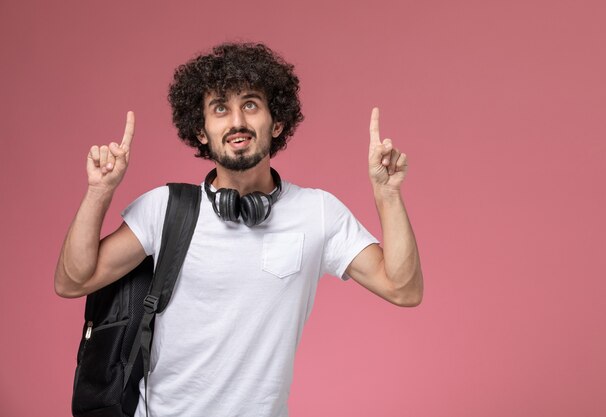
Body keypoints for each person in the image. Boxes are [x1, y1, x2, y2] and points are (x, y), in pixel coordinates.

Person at [55, 42, 423, 417]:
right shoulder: (165, 209)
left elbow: (403, 289)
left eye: (250, 104)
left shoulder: (318, 213)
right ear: (201, 131)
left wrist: (388, 195)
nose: (236, 122)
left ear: (276, 122)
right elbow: (72, 282)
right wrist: (99, 193)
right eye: (220, 109)